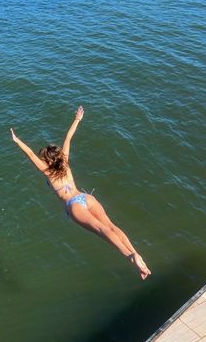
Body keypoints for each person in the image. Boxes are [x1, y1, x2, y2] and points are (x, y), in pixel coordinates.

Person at [10, 106, 151, 280]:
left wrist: (17, 141)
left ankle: (130, 256)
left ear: (47, 160)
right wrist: (77, 119)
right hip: (85, 197)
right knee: (111, 225)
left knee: (101, 230)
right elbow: (68, 138)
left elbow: (30, 154)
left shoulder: (48, 171)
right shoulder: (66, 162)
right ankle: (136, 253)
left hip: (73, 205)